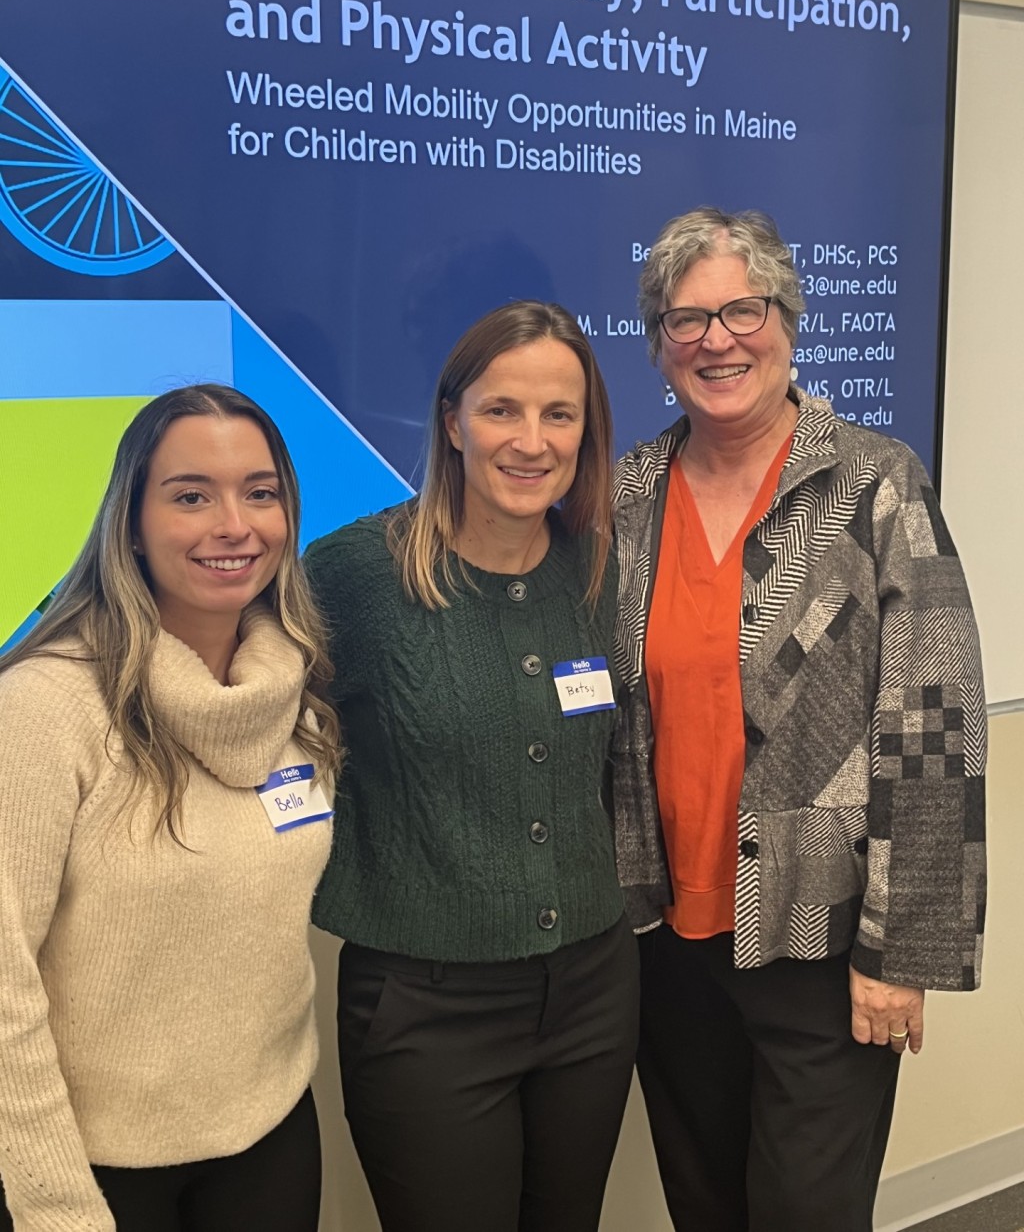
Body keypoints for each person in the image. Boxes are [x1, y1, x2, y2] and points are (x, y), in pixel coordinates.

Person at [611, 208, 987, 1232]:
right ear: (657, 346)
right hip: (668, 938)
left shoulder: (872, 481)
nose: (716, 339)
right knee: (704, 1205)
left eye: (742, 309)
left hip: (821, 946)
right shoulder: (630, 492)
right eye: (684, 320)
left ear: (788, 320)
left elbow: (935, 723)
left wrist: (899, 956)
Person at [306, 301, 638, 1232]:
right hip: (425, 1005)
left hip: (592, 990)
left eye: (559, 414)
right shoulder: (356, 576)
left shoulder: (601, 569)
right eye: (502, 410)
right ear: (452, 421)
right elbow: (243, 715)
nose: (531, 441)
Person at [0, 384, 342, 1232]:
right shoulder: (48, 706)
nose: (235, 524)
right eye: (192, 495)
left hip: (269, 1142)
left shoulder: (290, 693)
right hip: (98, 1172)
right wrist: (54, 1202)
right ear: (132, 522)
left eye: (260, 493)